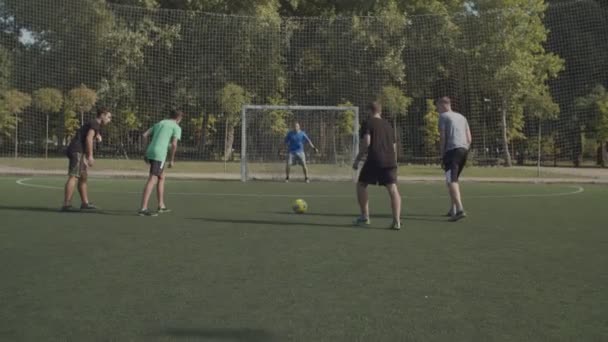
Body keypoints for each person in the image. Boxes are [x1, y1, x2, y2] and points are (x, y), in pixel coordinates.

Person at [352, 102, 402, 230]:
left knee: (361, 184)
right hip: (390, 160)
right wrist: (394, 162)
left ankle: (365, 217)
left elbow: (367, 142)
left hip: (375, 159)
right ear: (380, 111)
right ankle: (397, 221)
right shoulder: (388, 125)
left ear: (370, 110)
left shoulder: (368, 122)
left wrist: (357, 160)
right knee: (393, 189)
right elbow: (394, 146)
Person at [61, 107, 112, 211]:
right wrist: (90, 156)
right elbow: (89, 138)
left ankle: (85, 203)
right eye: (108, 117)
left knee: (83, 177)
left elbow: (88, 135)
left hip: (80, 151)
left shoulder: (95, 125)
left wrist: (97, 136)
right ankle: (66, 205)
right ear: (102, 115)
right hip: (77, 151)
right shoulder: (95, 123)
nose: (109, 119)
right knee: (74, 176)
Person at [138, 109, 183, 216]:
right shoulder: (176, 127)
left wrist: (145, 152)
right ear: (179, 118)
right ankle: (143, 209)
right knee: (153, 179)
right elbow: (174, 144)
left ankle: (161, 205)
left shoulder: (160, 122)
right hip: (160, 154)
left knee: (161, 177)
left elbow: (144, 135)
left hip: (151, 151)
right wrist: (172, 160)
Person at [436, 96, 472, 222]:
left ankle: (460, 209)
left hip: (452, 151)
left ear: (442, 105)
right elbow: (469, 138)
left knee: (452, 180)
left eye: (438, 107)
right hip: (464, 150)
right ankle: (453, 209)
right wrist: (465, 149)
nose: (437, 110)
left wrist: (442, 154)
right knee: (453, 180)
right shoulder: (462, 117)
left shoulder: (443, 117)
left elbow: (443, 137)